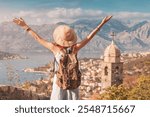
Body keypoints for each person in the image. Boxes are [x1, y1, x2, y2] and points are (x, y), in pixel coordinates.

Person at [13, 16, 112, 100]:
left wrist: (25, 26)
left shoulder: (55, 48)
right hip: (73, 81)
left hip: (59, 80)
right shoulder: (75, 49)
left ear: (59, 38)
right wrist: (101, 24)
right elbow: (89, 37)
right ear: (71, 39)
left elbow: (37, 38)